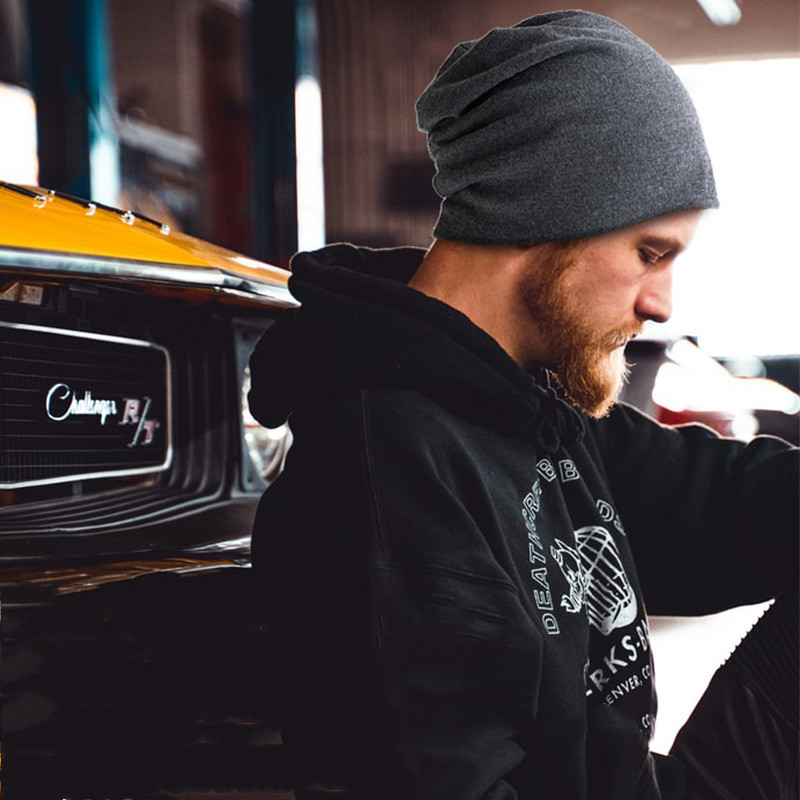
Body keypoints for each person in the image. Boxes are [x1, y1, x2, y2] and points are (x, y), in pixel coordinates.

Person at [248, 11, 798, 800]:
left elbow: (713, 503)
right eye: (650, 253)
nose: (662, 304)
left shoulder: (524, 403)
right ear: (543, 212)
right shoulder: (387, 481)